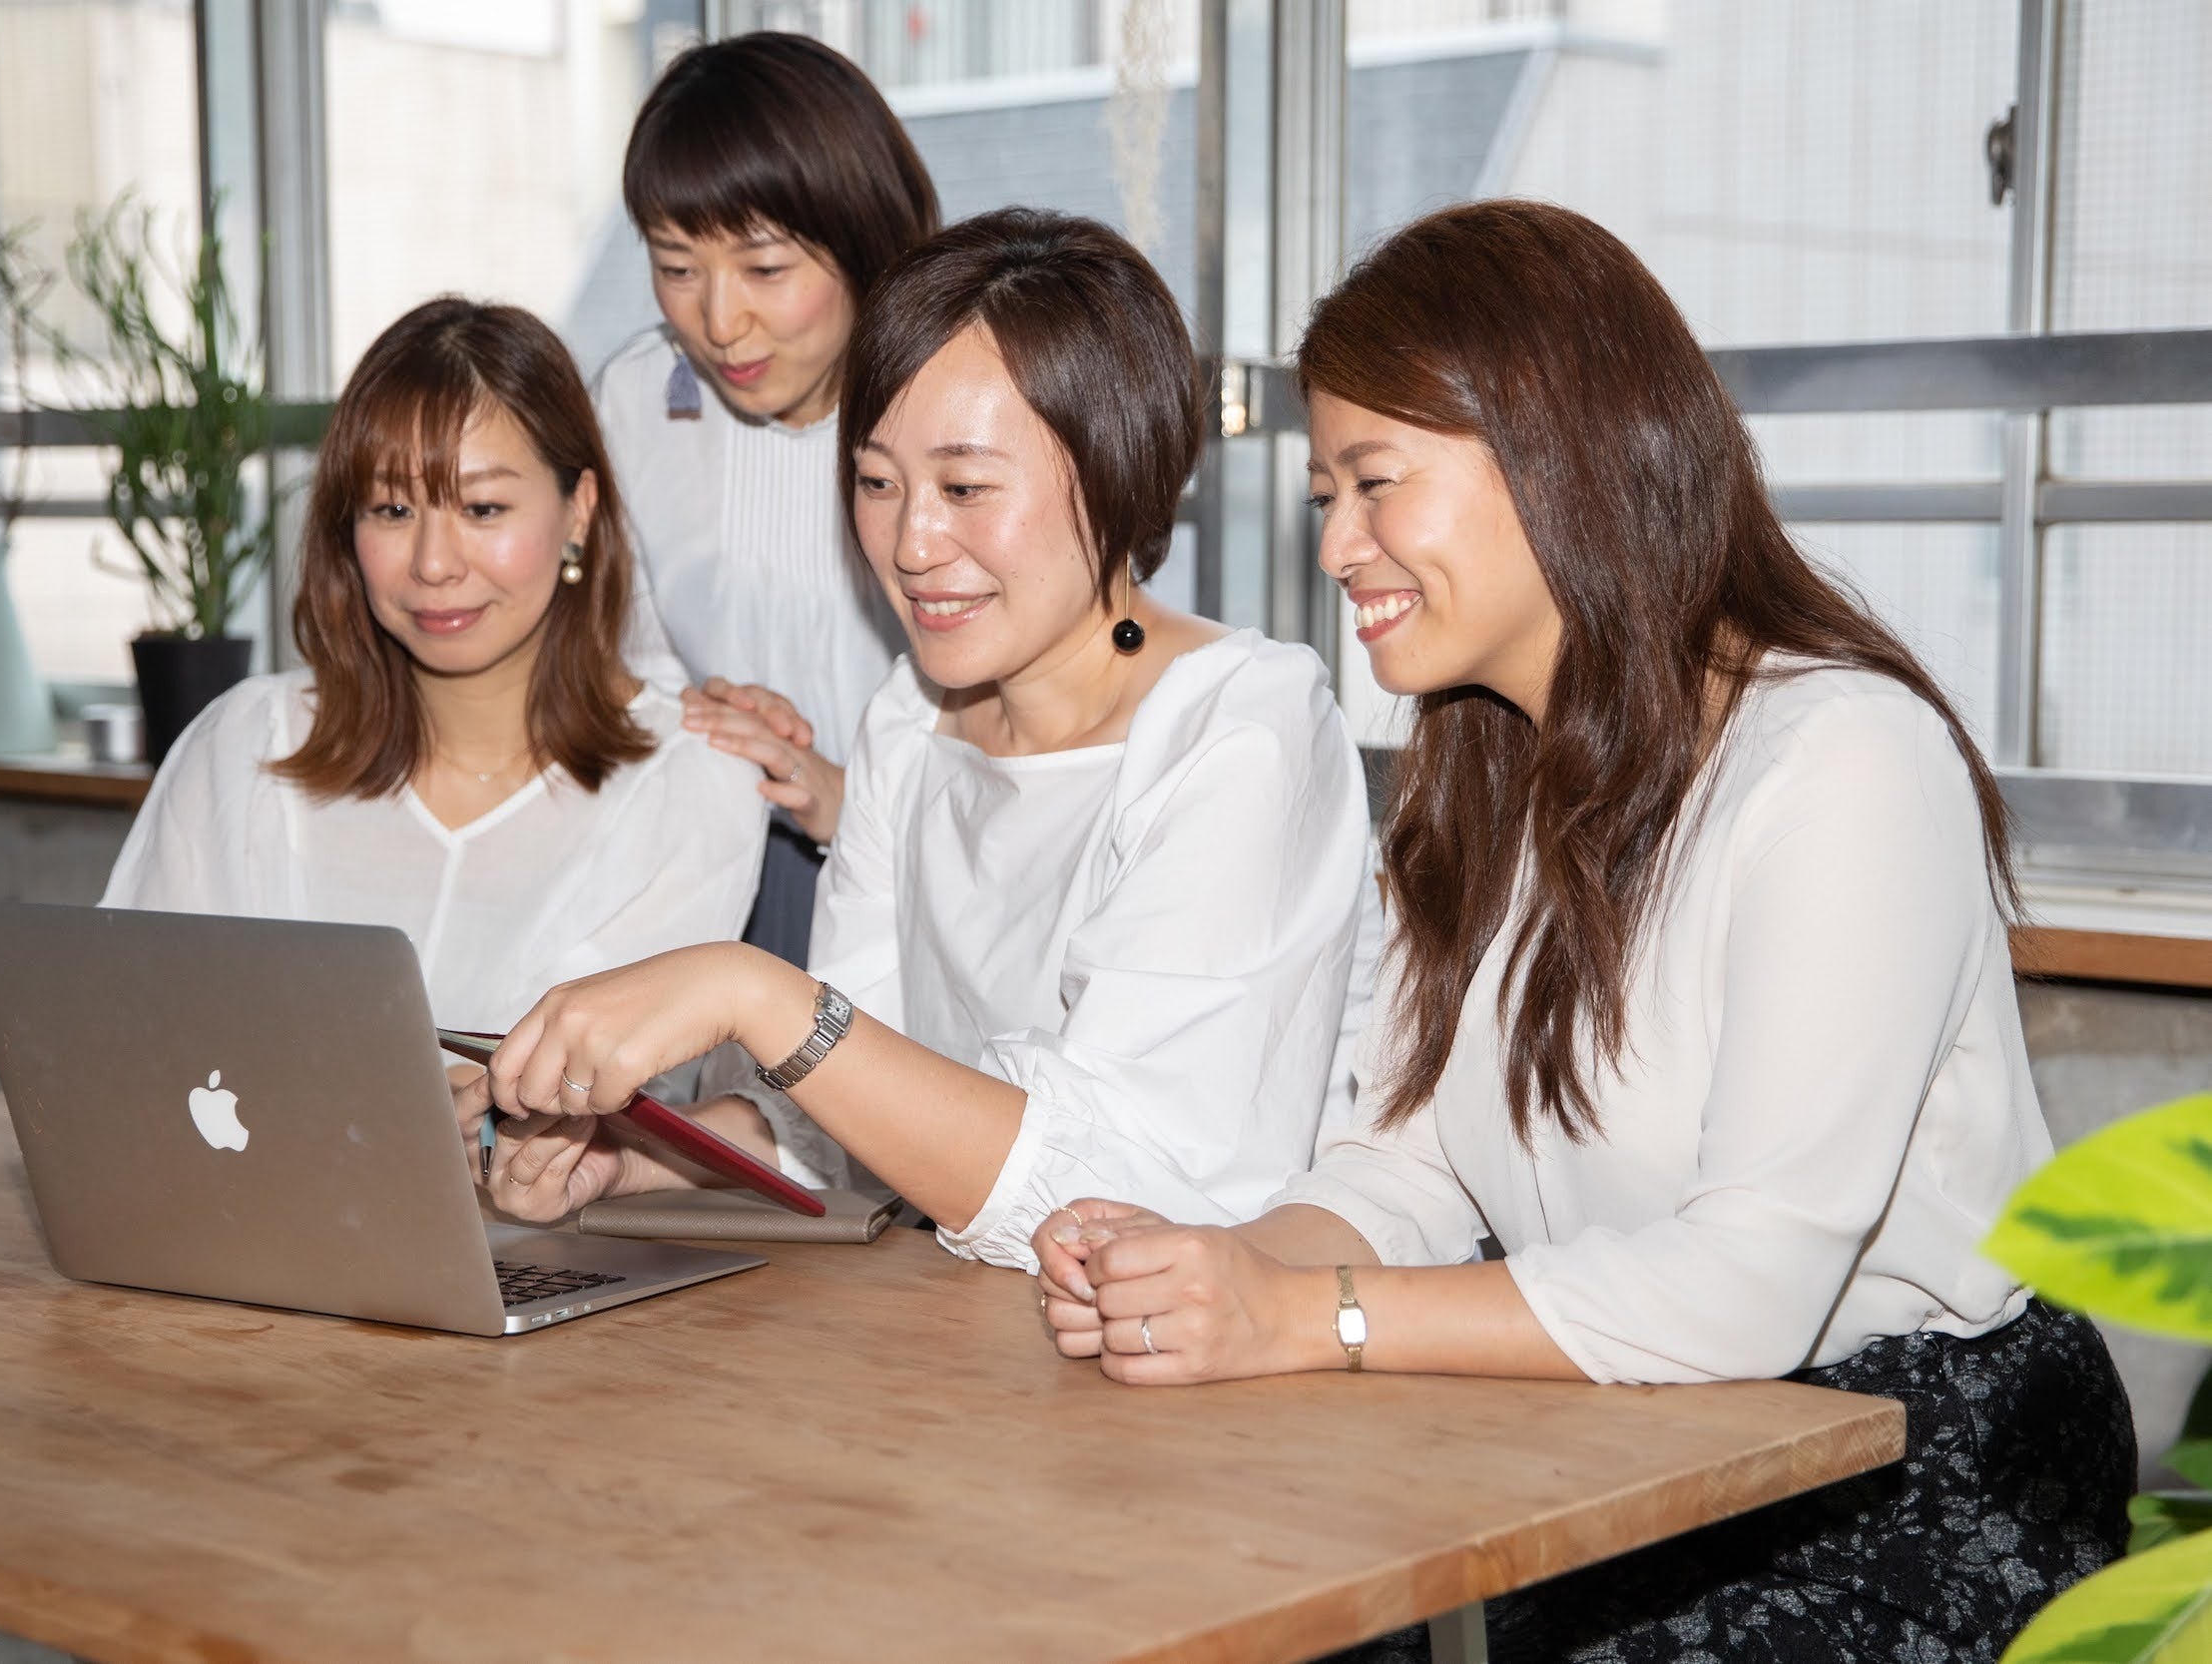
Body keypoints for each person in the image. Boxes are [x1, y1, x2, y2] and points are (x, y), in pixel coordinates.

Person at [1034, 202, 2134, 1660]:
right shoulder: (1484, 770)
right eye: (1323, 495)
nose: (1339, 545)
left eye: (1375, 482)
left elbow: (1746, 1284)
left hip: (1906, 1471)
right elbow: (1405, 1164)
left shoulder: (1843, 759)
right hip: (1623, 1444)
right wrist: (1207, 1274)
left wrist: (1308, 1317)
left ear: (1558, 453)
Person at [462, 211, 1384, 1271]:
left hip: (1206, 1344)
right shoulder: (910, 722)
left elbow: (1126, 1187)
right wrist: (629, 1160)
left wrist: (748, 990)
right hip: (984, 1329)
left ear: (1116, 470)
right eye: (876, 481)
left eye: (965, 488)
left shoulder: (1239, 728)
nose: (910, 543)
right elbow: (851, 1116)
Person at [103, 297, 767, 1038]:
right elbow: (122, 1033)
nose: (433, 564)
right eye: (392, 511)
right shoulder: (246, 746)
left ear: (579, 510)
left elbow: (617, 1086)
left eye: (482, 509)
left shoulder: (691, 785)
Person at [595, 31, 940, 964]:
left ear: (862, 238)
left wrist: (845, 794)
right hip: (709, 839)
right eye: (677, 267)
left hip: (930, 863)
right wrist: (705, 716)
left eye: (765, 268)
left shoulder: (952, 403)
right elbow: (626, 656)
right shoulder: (637, 397)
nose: (717, 321)